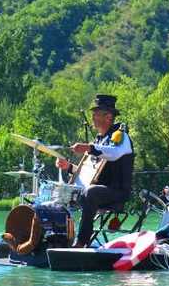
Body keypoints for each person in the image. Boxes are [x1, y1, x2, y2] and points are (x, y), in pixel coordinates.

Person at [56, 94, 134, 247]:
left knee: (90, 193)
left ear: (108, 116)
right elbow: (88, 172)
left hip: (117, 192)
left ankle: (81, 242)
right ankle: (58, 237)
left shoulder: (121, 136)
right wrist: (69, 167)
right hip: (97, 190)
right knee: (63, 191)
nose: (92, 117)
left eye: (96, 114)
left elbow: (114, 153)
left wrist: (89, 148)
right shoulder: (99, 139)